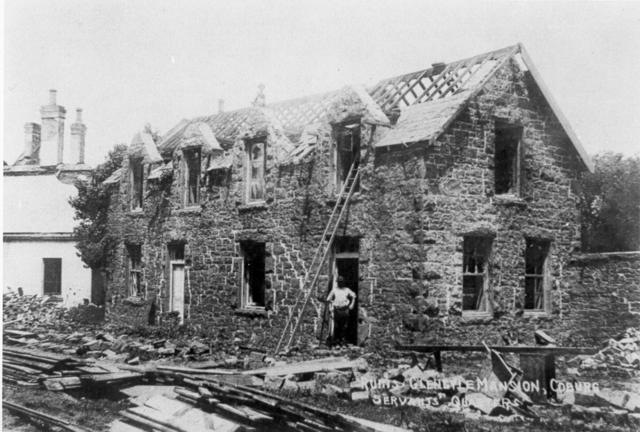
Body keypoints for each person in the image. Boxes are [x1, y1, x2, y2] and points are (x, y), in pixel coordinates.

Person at [326, 276, 356, 346]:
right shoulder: (334, 290)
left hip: (345, 310)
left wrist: (352, 304)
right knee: (337, 326)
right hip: (337, 310)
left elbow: (354, 296)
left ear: (344, 282)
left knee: (344, 326)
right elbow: (328, 300)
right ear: (337, 282)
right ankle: (337, 342)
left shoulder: (347, 290)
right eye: (339, 282)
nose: (340, 283)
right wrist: (330, 307)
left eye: (342, 282)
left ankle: (343, 342)